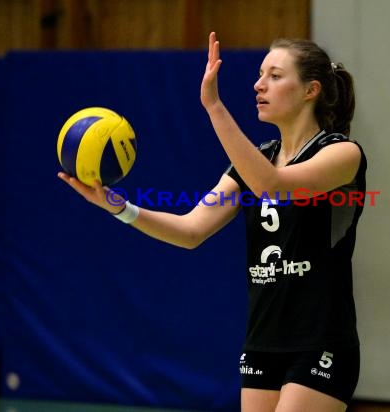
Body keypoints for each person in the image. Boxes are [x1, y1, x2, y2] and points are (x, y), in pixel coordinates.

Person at [58, 32, 366, 412]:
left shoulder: (341, 154)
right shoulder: (255, 161)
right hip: (263, 341)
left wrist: (214, 107)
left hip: (321, 342)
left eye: (274, 75)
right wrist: (118, 206)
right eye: (260, 74)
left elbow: (274, 186)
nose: (259, 84)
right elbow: (191, 230)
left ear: (310, 90)